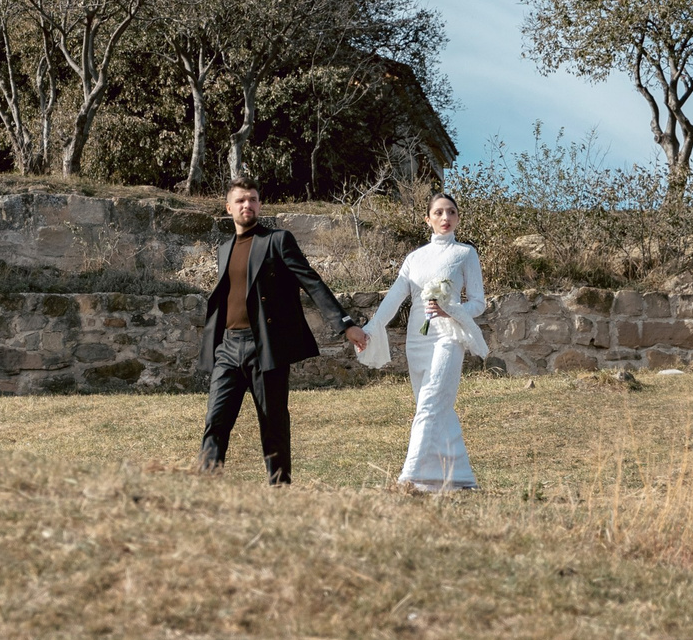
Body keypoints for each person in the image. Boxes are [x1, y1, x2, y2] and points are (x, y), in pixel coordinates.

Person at [196, 180, 368, 484]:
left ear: (260, 205)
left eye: (252, 200)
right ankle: (207, 484)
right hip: (228, 346)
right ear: (228, 208)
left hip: (264, 346)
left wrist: (345, 324)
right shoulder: (224, 249)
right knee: (216, 419)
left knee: (272, 421)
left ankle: (279, 486)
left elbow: (311, 281)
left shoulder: (277, 240)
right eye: (240, 201)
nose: (246, 205)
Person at [366, 193, 488, 492]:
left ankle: (408, 478)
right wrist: (371, 328)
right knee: (434, 405)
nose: (445, 218)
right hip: (417, 340)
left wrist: (452, 310)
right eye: (438, 213)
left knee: (432, 401)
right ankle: (457, 478)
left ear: (458, 217)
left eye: (451, 212)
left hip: (449, 335)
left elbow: (479, 303)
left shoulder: (465, 253)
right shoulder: (414, 258)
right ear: (428, 218)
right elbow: (394, 298)